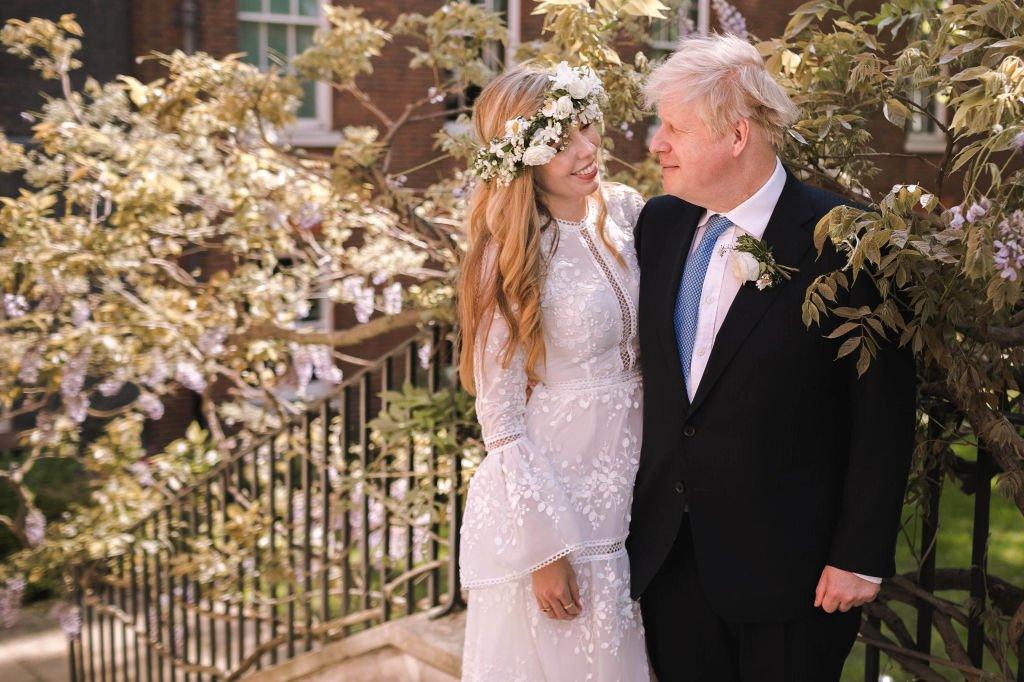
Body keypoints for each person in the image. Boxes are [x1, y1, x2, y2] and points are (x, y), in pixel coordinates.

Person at [627, 33, 917, 681]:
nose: (656, 144)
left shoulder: (848, 240)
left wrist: (860, 556)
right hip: (671, 563)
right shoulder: (659, 225)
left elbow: (884, 413)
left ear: (736, 136)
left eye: (673, 128)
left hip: (798, 579)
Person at [457, 62, 651, 680]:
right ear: (526, 156)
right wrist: (544, 550)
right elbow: (503, 415)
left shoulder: (628, 211)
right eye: (563, 140)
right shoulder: (509, 252)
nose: (589, 150)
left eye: (589, 129)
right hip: (564, 492)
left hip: (643, 473)